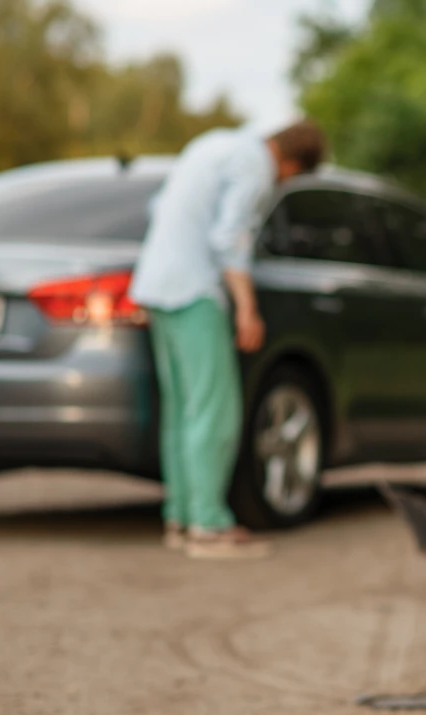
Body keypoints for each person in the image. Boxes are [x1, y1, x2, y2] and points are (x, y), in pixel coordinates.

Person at [129, 121, 326, 559]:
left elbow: (157, 206)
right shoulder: (255, 165)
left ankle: (180, 518)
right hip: (194, 290)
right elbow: (230, 238)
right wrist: (247, 308)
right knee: (215, 411)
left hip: (156, 285)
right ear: (292, 163)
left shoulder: (211, 144)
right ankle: (209, 526)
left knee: (182, 411)